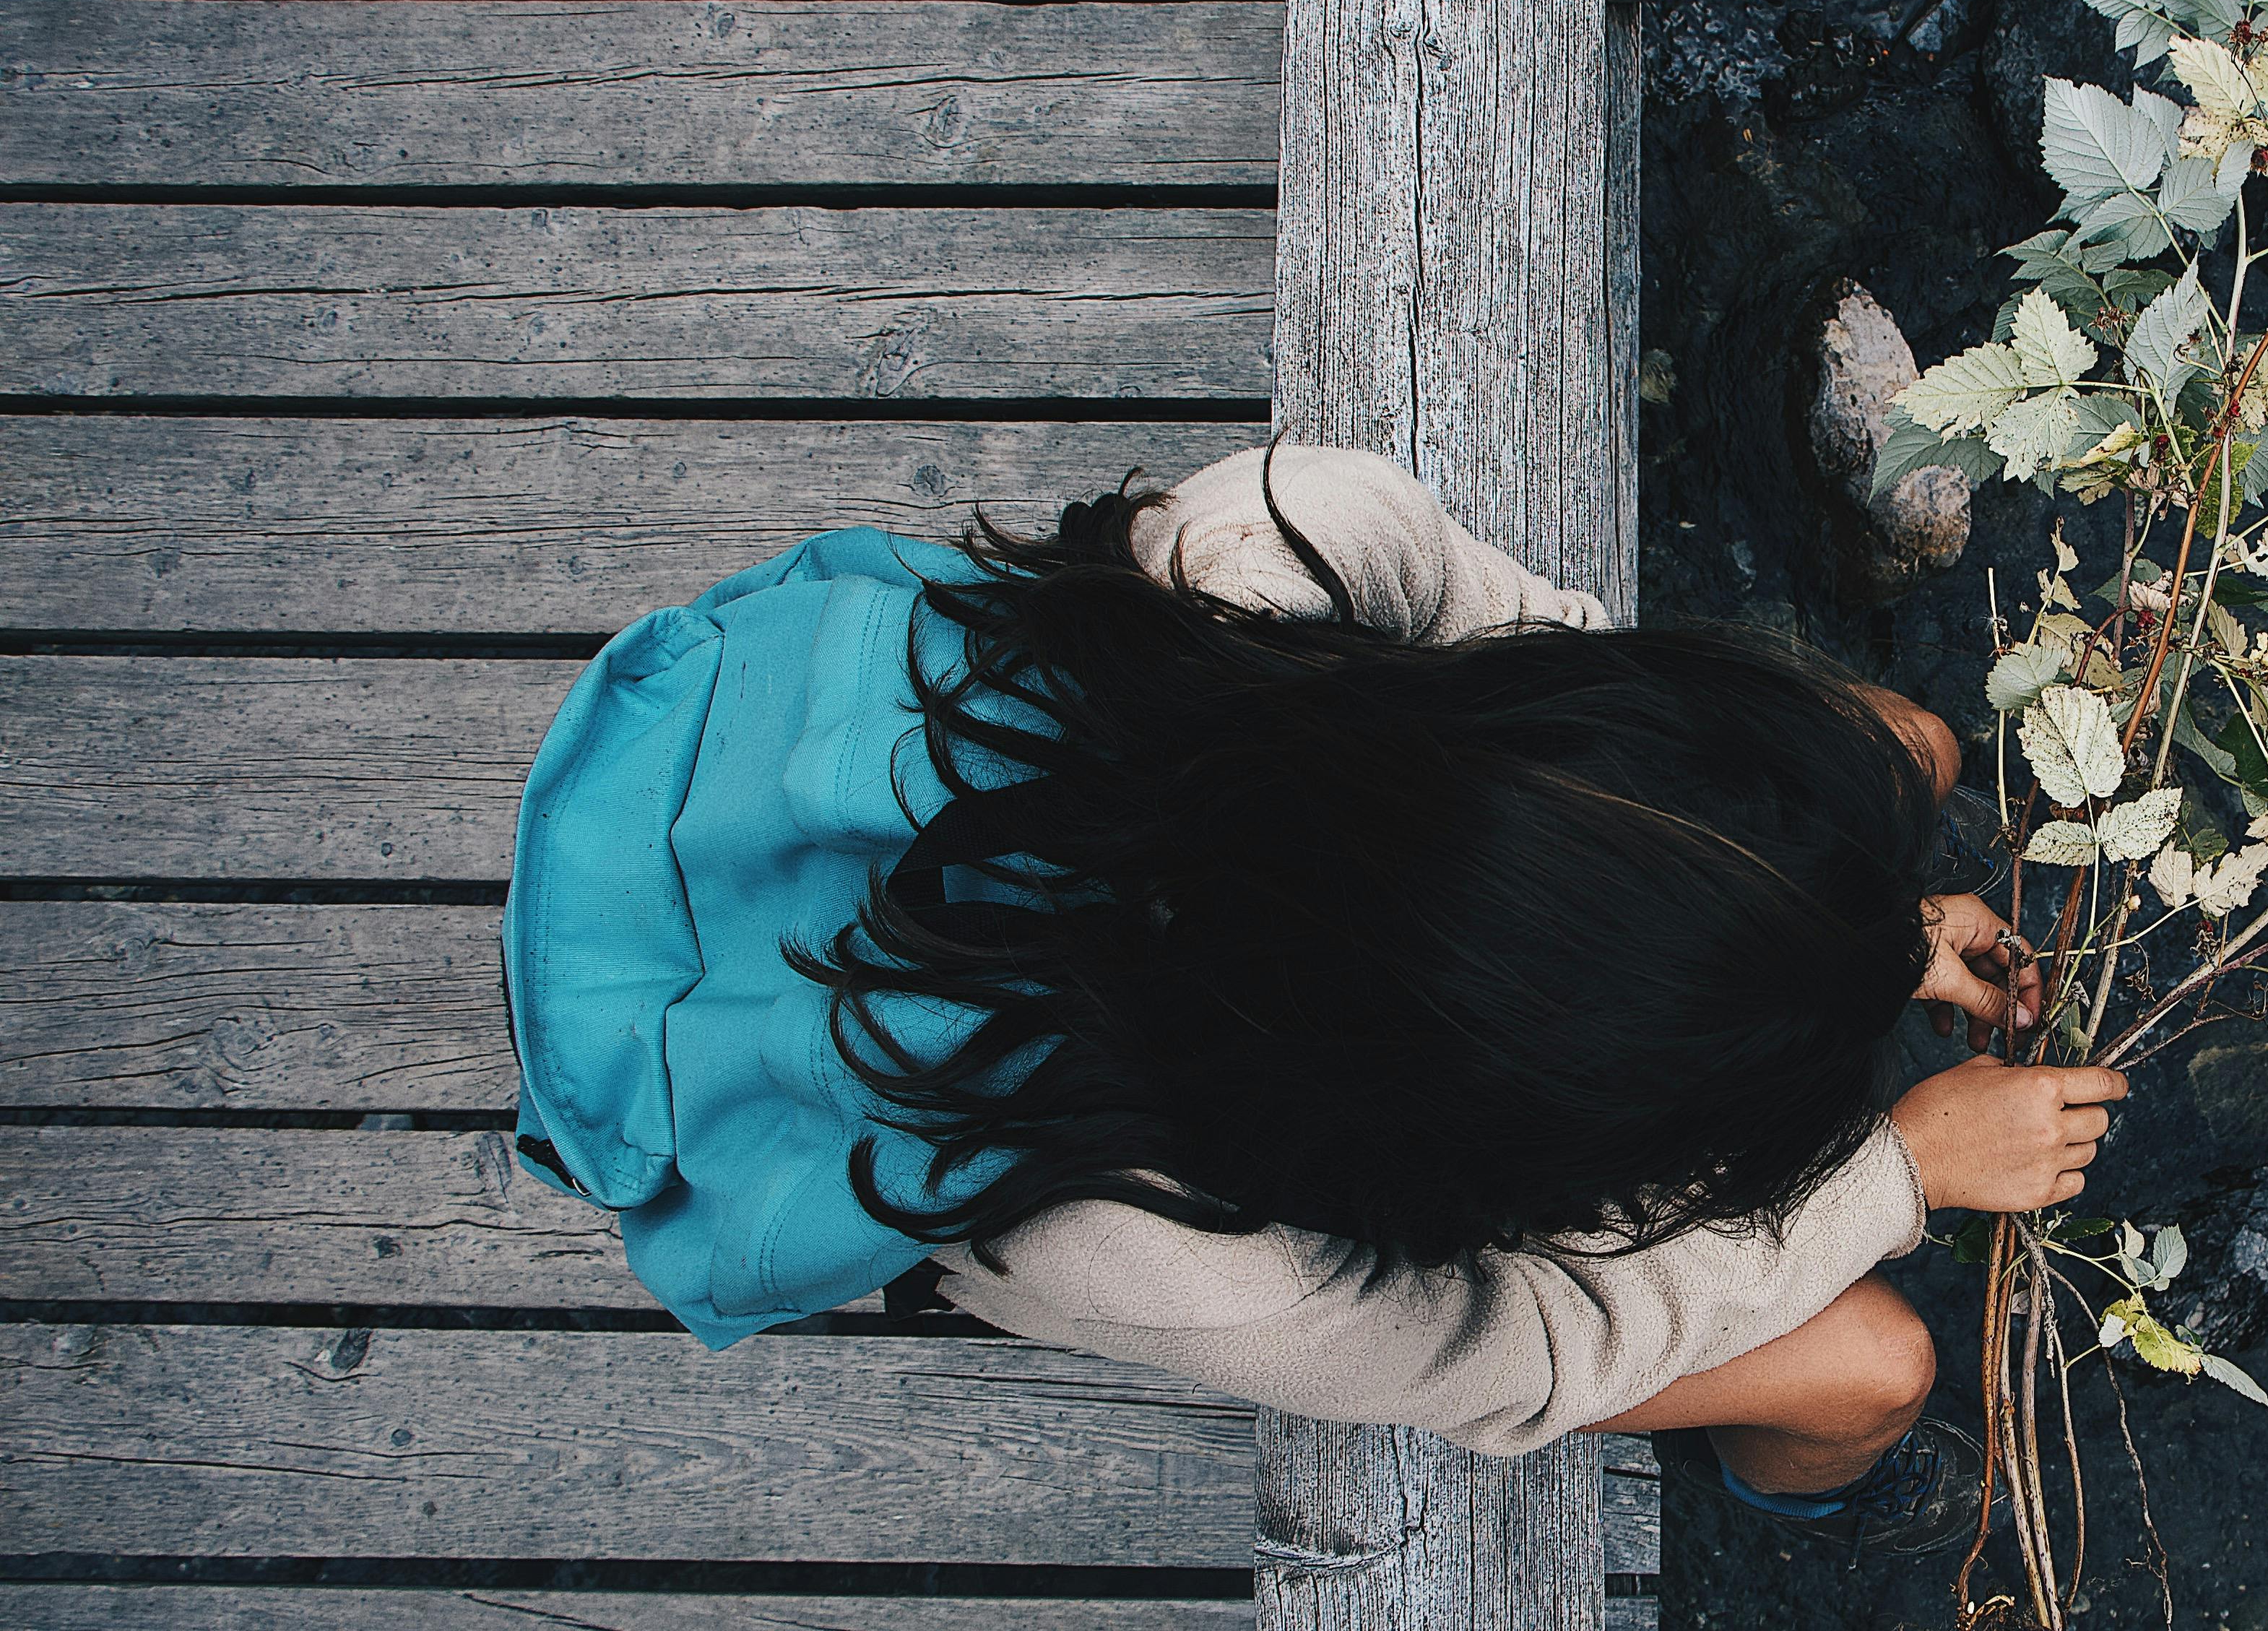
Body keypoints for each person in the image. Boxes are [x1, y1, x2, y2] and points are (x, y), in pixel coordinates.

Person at [500, 436, 2127, 1552]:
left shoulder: (1285, 544)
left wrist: (1829, 930)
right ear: (1502, 1119)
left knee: (1893, 749)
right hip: (817, 1051)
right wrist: (1895, 1176)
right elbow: (1527, 1352)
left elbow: (1564, 679)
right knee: (1874, 1375)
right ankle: (1795, 1505)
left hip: (822, 771)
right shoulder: (1148, 1236)